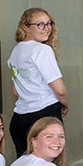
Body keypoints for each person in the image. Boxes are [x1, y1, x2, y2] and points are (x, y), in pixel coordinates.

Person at [7, 8, 68, 157]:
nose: (46, 28)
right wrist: (65, 104)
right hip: (44, 115)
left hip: (20, 119)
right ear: (26, 27)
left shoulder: (15, 51)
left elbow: (16, 91)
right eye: (40, 24)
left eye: (49, 23)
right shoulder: (41, 50)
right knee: (51, 165)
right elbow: (60, 90)